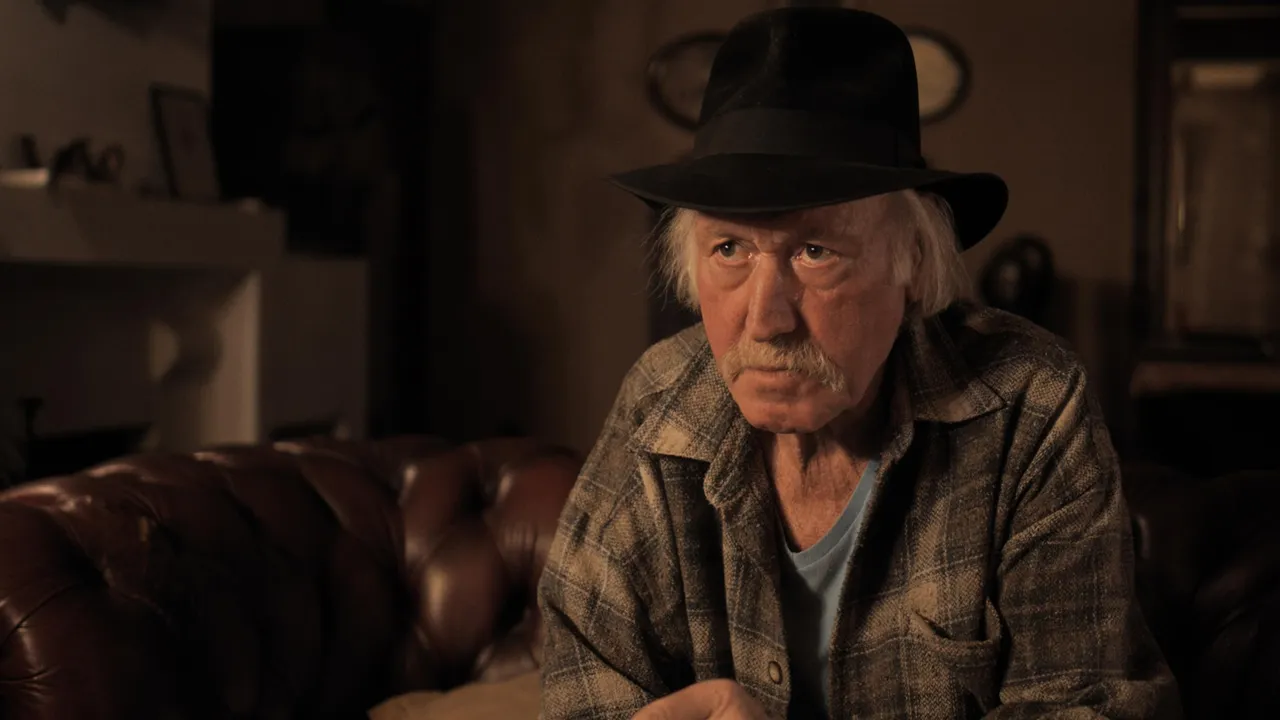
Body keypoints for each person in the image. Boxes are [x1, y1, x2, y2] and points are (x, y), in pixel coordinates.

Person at [538, 7, 1179, 720]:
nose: (765, 318)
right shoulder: (660, 398)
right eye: (730, 250)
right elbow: (580, 686)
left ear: (914, 264)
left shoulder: (1029, 405)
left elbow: (1086, 704)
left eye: (815, 252)